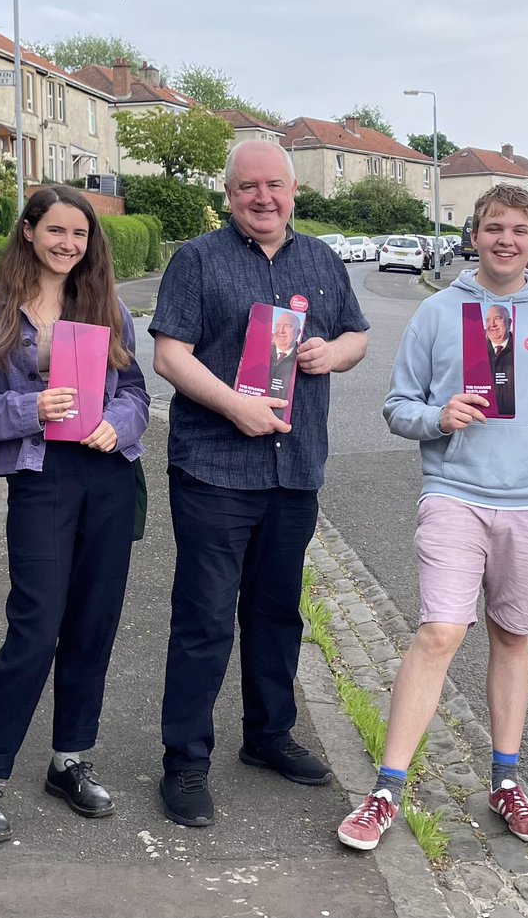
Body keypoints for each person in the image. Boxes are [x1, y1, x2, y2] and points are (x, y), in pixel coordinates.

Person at [337, 185, 528, 851]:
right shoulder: (436, 313)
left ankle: (507, 781)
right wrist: (439, 416)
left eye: (518, 229)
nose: (505, 240)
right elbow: (398, 406)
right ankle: (386, 791)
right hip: (454, 493)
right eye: (493, 228)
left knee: (512, 636)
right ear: (474, 235)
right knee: (439, 633)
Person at [150, 140, 369, 827]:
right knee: (205, 619)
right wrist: (233, 404)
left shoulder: (322, 260)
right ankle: (184, 761)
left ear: (294, 189)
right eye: (248, 187)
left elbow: (357, 336)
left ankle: (268, 736)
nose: (262, 197)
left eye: (274, 185)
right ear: (230, 194)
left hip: (294, 470)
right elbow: (169, 354)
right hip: (213, 467)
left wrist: (333, 352)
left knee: (277, 613)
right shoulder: (197, 260)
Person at [0, 185, 150, 843]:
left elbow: (138, 390)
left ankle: (69, 759)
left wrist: (118, 423)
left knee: (94, 622)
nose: (68, 244)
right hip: (41, 477)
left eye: (79, 235)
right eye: (56, 230)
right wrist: (29, 409)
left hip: (108, 474)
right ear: (28, 230)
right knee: (34, 626)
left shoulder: (107, 305)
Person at [267, 309, 302, 414]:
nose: (280, 331)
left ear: (298, 332)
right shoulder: (261, 352)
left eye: (287, 326)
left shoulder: (304, 356)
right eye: (277, 326)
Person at [485, 303, 515, 416]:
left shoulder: (522, 350)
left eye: (497, 318)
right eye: (488, 320)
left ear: (509, 323)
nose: (492, 324)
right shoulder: (476, 352)